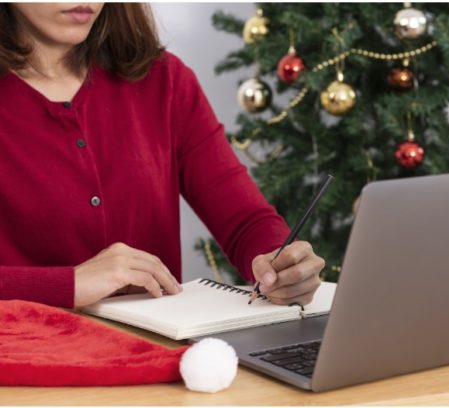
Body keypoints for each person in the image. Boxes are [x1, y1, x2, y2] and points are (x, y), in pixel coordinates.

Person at [0, 3, 324, 308]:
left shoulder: (165, 80)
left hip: (157, 357)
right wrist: (68, 285)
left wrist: (280, 264)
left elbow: (246, 221)